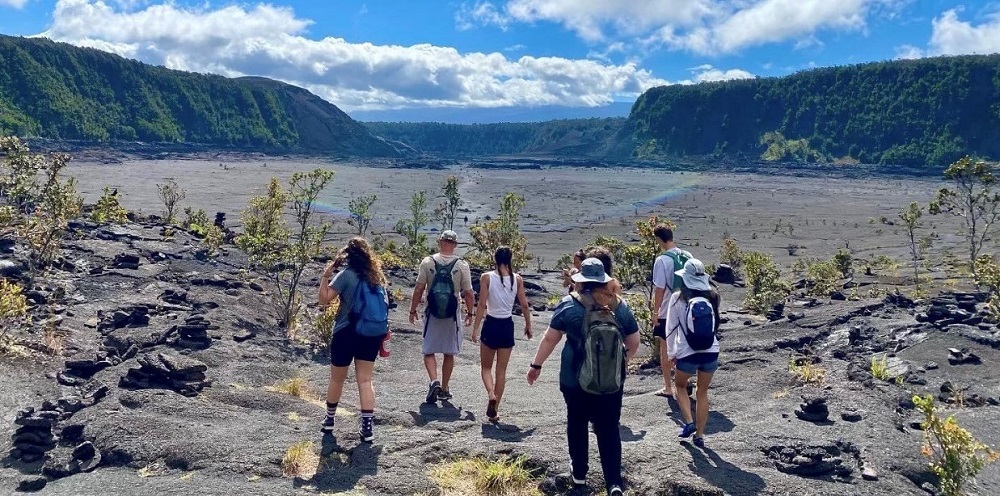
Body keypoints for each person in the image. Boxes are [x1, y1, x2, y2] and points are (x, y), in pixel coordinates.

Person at [527, 258, 640, 496]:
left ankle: (579, 475)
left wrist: (536, 365)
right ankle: (614, 483)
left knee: (577, 423)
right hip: (611, 382)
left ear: (581, 280)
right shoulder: (619, 305)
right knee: (609, 428)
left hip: (574, 379)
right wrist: (616, 364)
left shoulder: (569, 304)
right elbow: (633, 340)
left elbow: (550, 338)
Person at [318, 237, 389, 442]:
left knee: (337, 379)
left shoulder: (346, 275)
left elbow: (324, 300)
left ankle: (329, 419)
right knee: (365, 380)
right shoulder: (377, 278)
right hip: (371, 334)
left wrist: (326, 275)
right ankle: (367, 427)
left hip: (346, 332)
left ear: (348, 255)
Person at [409, 230, 475, 404]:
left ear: (439, 242)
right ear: (455, 245)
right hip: (451, 314)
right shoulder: (462, 265)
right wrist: (470, 313)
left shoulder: (428, 262)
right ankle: (444, 389)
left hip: (431, 312)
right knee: (449, 352)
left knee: (428, 350)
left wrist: (412, 310)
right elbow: (469, 293)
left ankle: (434, 381)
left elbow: (419, 288)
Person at [472, 246, 532, 422]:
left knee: (486, 368)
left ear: (495, 259)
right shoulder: (517, 279)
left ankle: (491, 394)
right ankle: (495, 410)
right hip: (507, 325)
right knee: (501, 370)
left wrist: (475, 328)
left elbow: (482, 304)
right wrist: (528, 324)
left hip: (491, 324)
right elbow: (524, 304)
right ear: (510, 259)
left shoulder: (486, 277)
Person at [665, 258, 721, 448]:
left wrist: (671, 353)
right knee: (702, 392)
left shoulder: (677, 298)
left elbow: (671, 328)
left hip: (687, 352)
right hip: (711, 351)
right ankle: (700, 435)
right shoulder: (713, 296)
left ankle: (689, 422)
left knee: (680, 386)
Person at [650, 224, 693, 398]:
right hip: (687, 308)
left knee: (666, 348)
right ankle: (685, 382)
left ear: (659, 239)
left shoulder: (662, 260)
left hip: (667, 311)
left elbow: (659, 289)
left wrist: (655, 313)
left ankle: (668, 387)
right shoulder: (688, 256)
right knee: (684, 346)